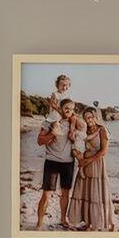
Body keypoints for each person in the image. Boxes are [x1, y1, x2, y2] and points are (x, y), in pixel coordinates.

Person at [33, 96, 80, 230]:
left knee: (65, 193)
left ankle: (63, 219)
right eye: (66, 108)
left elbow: (85, 131)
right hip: (52, 161)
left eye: (71, 109)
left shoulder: (73, 122)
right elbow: (40, 141)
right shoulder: (49, 121)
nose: (68, 111)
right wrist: (53, 134)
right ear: (60, 108)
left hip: (68, 162)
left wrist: (73, 127)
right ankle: (39, 223)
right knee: (46, 194)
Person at [69, 105, 115, 232]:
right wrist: (80, 160)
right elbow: (76, 143)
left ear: (95, 117)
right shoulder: (85, 131)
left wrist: (86, 161)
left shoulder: (102, 130)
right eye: (85, 118)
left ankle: (96, 223)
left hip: (96, 163)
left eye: (90, 117)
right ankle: (88, 222)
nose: (88, 120)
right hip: (84, 162)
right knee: (85, 193)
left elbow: (103, 151)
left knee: (96, 193)